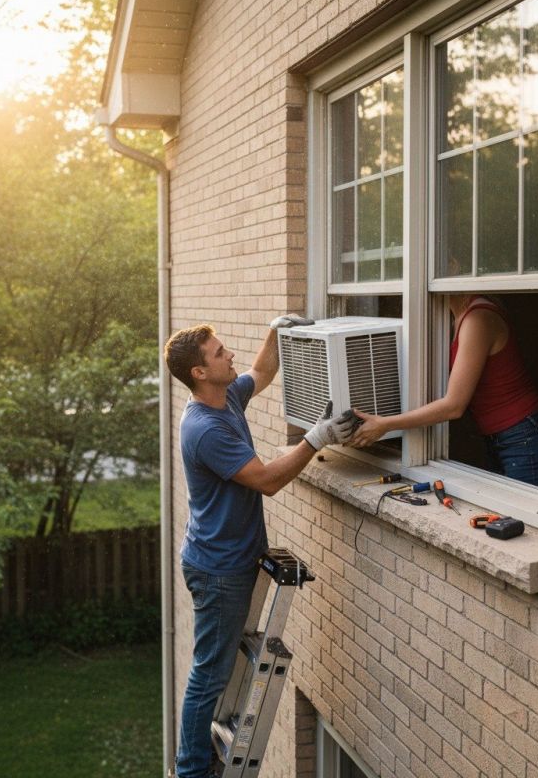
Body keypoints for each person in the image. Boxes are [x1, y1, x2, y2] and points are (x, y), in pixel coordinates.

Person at [164, 315, 357, 778]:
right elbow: (268, 481)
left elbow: (263, 371)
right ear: (199, 373)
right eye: (219, 353)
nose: (230, 354)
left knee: (215, 668)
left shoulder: (227, 394)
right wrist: (316, 438)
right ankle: (192, 771)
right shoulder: (206, 429)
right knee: (209, 674)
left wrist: (276, 330)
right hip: (219, 569)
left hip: (226, 558)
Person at [348, 295, 538, 488]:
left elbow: (454, 406)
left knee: (523, 510)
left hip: (522, 434)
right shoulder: (453, 317)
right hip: (501, 435)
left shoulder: (477, 318)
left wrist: (385, 424)